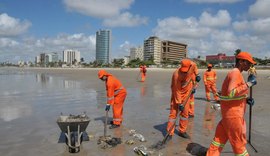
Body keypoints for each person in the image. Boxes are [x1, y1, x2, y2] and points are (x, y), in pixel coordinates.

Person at [205, 52, 257, 156]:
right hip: (233, 116)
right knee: (239, 144)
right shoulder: (235, 73)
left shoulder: (236, 73)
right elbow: (231, 92)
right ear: (241, 62)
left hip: (227, 115)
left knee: (218, 142)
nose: (250, 66)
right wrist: (249, 84)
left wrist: (245, 100)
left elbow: (229, 95)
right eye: (248, 63)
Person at [166, 59, 201, 140]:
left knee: (185, 115)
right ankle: (169, 133)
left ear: (189, 66)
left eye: (186, 70)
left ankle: (182, 131)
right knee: (173, 115)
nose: (184, 72)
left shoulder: (192, 65)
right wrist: (179, 103)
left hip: (187, 93)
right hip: (177, 95)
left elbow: (195, 68)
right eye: (183, 70)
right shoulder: (176, 75)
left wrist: (197, 75)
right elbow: (176, 91)